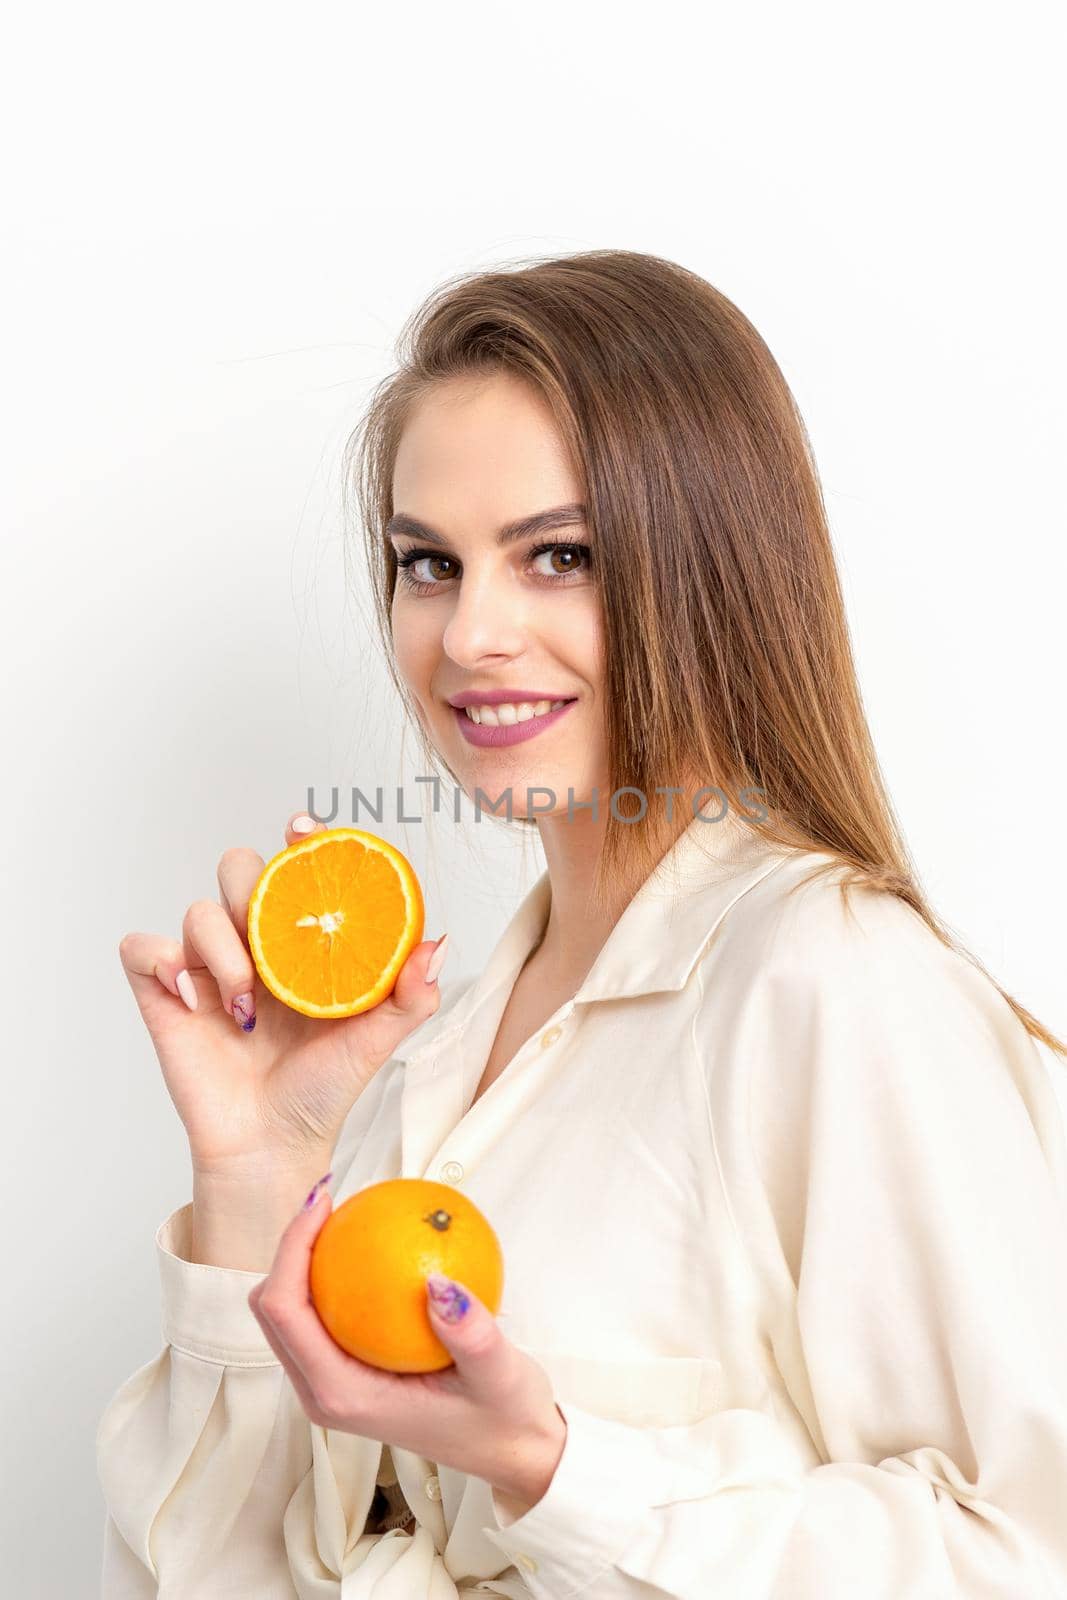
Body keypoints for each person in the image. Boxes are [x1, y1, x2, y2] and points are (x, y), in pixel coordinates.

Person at [98, 249, 1067, 1597]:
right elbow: (220, 1575)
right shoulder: (429, 1065)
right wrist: (264, 1167)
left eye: (559, 556)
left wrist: (556, 1471)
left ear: (709, 570)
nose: (470, 634)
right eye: (426, 564)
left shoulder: (832, 985)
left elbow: (1022, 1551)